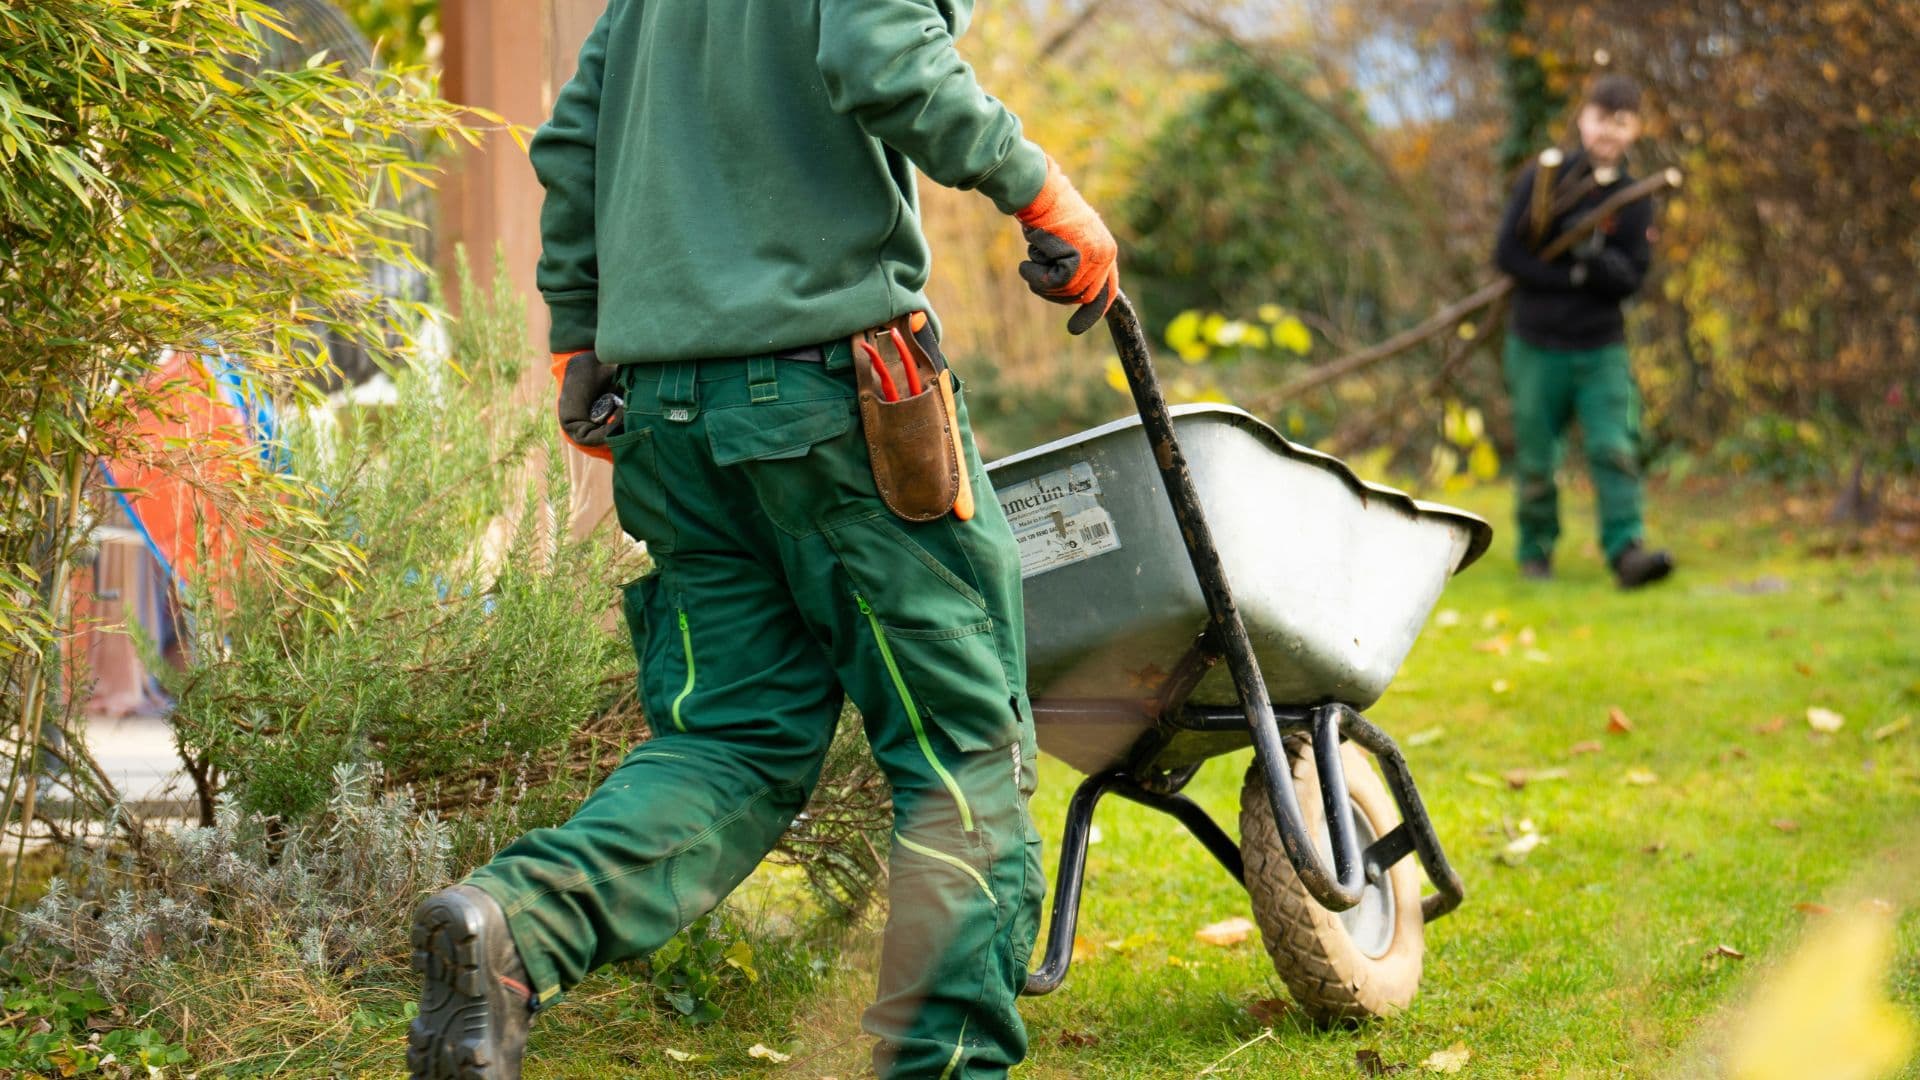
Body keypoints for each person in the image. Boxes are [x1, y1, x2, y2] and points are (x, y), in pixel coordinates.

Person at [404, 3, 1120, 1078]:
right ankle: (946, 1064)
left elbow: (573, 141)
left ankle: (517, 930)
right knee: (959, 749)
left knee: (729, 739)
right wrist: (1043, 191)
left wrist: (582, 340)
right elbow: (883, 56)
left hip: (665, 416)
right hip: (839, 402)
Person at [1494, 73, 1673, 588]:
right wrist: (1573, 274)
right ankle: (1535, 553)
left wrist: (1596, 267)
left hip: (1600, 349)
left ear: (1635, 129)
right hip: (1535, 343)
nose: (1608, 133)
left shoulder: (1636, 197)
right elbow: (1508, 255)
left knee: (1614, 446)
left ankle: (1626, 552)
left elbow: (1630, 277)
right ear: (1583, 118)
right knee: (1536, 457)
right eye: (1601, 119)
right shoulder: (1547, 179)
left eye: (1621, 123)